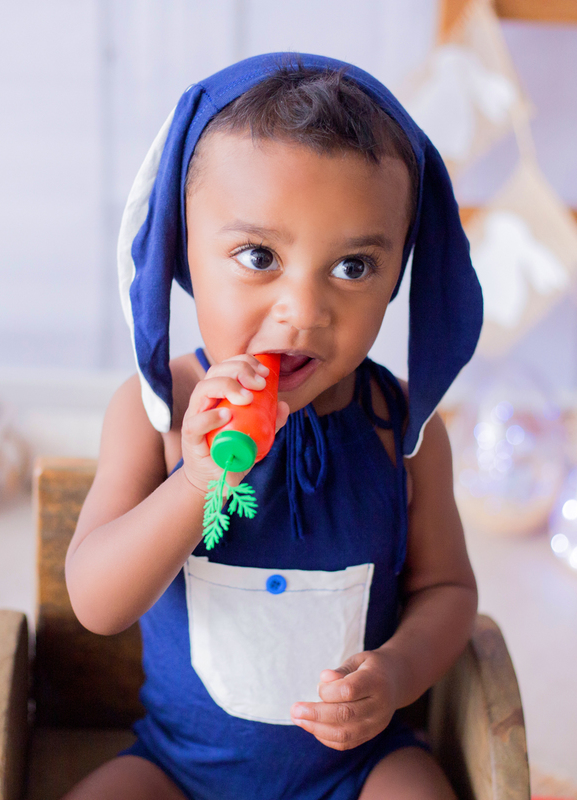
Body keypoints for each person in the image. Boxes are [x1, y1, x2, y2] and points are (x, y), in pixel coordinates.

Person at [64, 53, 483, 800]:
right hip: (179, 768)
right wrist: (199, 478)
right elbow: (97, 604)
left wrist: (396, 673)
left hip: (354, 769)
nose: (305, 310)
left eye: (353, 267)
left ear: (400, 276)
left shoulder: (404, 433)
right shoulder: (155, 412)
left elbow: (448, 590)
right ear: (183, 250)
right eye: (259, 256)